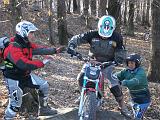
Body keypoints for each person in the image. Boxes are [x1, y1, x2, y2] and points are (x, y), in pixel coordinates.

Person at [67, 15, 129, 115]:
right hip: (92, 61)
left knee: (114, 84)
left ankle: (122, 106)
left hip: (108, 63)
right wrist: (72, 46)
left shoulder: (117, 37)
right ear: (99, 27)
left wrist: (118, 60)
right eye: (102, 34)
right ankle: (82, 94)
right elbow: (78, 38)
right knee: (81, 77)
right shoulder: (92, 34)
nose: (104, 36)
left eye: (107, 34)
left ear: (112, 29)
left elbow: (121, 50)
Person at [3, 21, 64, 119]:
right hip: (14, 80)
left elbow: (39, 49)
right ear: (24, 32)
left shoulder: (26, 43)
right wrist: (42, 62)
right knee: (14, 106)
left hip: (25, 76)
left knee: (44, 86)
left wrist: (54, 51)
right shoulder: (12, 47)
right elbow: (24, 64)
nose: (33, 35)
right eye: (31, 32)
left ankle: (44, 109)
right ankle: (7, 118)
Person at [116, 53, 151, 120]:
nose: (130, 65)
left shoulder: (141, 72)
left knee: (138, 117)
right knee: (136, 116)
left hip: (144, 98)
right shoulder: (126, 71)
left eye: (132, 63)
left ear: (137, 63)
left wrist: (123, 82)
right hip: (133, 98)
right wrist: (112, 78)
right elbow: (116, 76)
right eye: (128, 63)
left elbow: (135, 81)